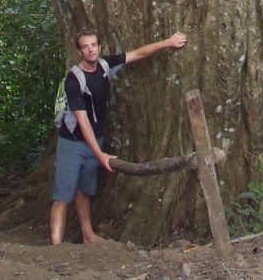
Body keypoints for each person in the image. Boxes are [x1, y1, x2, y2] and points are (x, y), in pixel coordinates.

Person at [50, 28, 188, 245]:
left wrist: (167, 42)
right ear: (79, 51)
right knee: (62, 197)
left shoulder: (105, 65)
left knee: (84, 190)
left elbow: (138, 54)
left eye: (93, 45)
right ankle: (56, 247)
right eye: (85, 46)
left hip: (96, 139)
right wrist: (101, 155)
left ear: (99, 47)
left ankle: (88, 235)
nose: (90, 50)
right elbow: (83, 122)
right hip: (72, 143)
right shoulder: (73, 80)